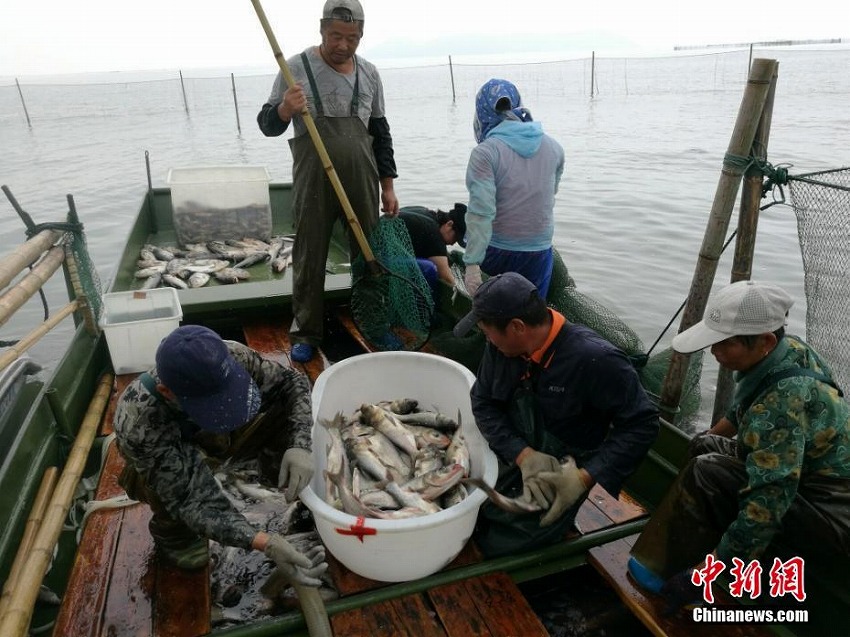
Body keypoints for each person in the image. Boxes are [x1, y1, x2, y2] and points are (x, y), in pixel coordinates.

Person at [627, 280, 850, 612]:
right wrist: (707, 440)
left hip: (831, 513)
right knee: (704, 447)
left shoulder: (780, 405)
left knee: (708, 470)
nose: (715, 353)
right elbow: (741, 408)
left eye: (724, 344)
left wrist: (709, 576)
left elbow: (767, 503)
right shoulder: (788, 351)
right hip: (799, 471)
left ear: (765, 341)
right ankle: (698, 543)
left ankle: (710, 572)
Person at [454, 272, 659, 556]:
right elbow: (484, 402)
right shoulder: (501, 348)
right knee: (465, 508)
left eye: (487, 331)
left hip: (565, 468)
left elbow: (642, 425)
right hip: (513, 448)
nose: (486, 339)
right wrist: (522, 453)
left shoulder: (596, 359)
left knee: (501, 544)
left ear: (517, 327)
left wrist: (584, 478)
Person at [113, 325, 325, 584]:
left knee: (286, 409)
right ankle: (173, 534)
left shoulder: (233, 355)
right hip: (177, 454)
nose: (225, 407)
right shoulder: (139, 421)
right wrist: (263, 542)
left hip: (226, 437)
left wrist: (300, 444)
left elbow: (292, 383)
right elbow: (191, 500)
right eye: (212, 404)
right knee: (162, 490)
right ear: (166, 392)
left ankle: (277, 469)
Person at [257, 0, 399, 363]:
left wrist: (387, 185)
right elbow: (268, 124)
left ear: (361, 36)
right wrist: (285, 109)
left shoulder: (370, 74)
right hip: (312, 180)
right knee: (309, 255)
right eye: (335, 35)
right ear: (322, 31)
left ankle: (374, 322)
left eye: (351, 37)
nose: (342, 44)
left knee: (370, 253)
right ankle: (305, 331)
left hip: (362, 178)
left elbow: (380, 133)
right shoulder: (295, 69)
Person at [463, 79, 565, 300]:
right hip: (539, 251)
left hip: (499, 250)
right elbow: (548, 198)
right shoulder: (555, 148)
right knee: (531, 318)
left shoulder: (485, 152)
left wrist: (472, 264)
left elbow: (481, 212)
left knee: (497, 323)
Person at [398, 203, 467, 287]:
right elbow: (447, 278)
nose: (453, 243)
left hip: (388, 247)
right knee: (430, 268)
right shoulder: (434, 235)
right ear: (449, 224)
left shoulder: (427, 214)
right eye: (455, 238)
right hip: (384, 261)